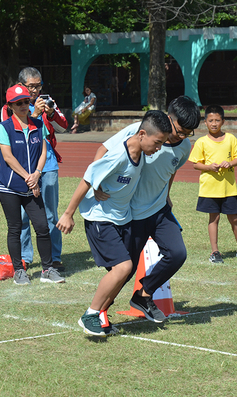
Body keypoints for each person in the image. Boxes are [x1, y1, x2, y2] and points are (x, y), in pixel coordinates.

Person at [57, 110, 171, 336]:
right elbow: (88, 178)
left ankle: (101, 316)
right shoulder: (120, 154)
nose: (158, 148)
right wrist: (68, 214)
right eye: (157, 143)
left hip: (123, 219)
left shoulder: (141, 154)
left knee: (121, 272)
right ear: (142, 134)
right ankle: (90, 314)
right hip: (101, 218)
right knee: (124, 268)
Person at [92, 96, 201, 324]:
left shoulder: (184, 147)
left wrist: (167, 195)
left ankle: (143, 295)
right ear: (169, 118)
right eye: (179, 130)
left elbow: (171, 171)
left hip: (159, 210)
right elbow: (103, 149)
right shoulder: (140, 131)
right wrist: (97, 182)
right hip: (131, 215)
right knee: (124, 271)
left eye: (188, 133)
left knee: (177, 253)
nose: (182, 137)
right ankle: (99, 313)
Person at [0, 84, 63, 284]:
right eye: (18, 103)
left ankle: (47, 269)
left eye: (26, 102)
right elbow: (8, 157)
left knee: (42, 227)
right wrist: (28, 177)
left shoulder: (38, 125)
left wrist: (37, 173)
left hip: (32, 185)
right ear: (10, 106)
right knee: (15, 227)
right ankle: (19, 271)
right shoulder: (3, 128)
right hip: (10, 186)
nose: (24, 106)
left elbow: (42, 152)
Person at [189, 105, 237, 264]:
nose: (214, 123)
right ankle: (215, 251)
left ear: (223, 121)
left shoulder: (231, 139)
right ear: (205, 122)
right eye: (211, 120)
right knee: (213, 219)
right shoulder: (201, 142)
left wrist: (229, 163)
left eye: (217, 120)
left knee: (234, 219)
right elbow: (196, 164)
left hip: (228, 188)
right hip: (209, 189)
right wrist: (209, 167)